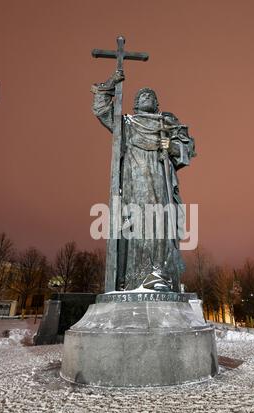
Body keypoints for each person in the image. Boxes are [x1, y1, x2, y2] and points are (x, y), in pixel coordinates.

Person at [91, 71, 196, 291]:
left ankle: (158, 274)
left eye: (151, 96)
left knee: (160, 222)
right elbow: (101, 109)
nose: (146, 96)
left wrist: (171, 146)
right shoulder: (127, 124)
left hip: (159, 180)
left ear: (156, 104)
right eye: (142, 95)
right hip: (133, 182)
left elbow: (187, 149)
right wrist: (111, 83)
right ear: (136, 104)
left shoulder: (165, 123)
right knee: (135, 225)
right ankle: (133, 280)